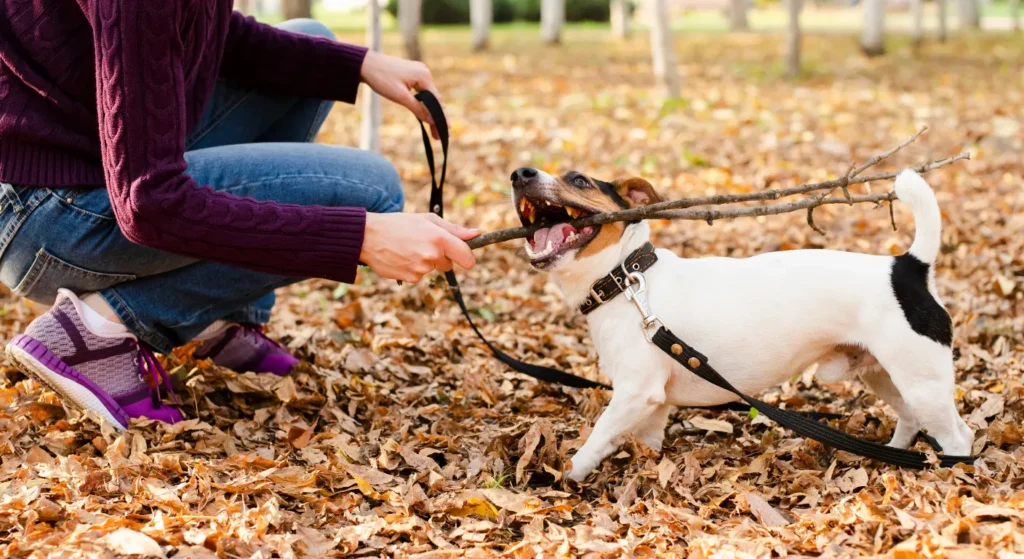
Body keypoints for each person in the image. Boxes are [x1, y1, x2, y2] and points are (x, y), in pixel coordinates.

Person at [0, 3, 478, 430]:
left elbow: (211, 34)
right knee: (370, 191)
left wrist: (362, 65)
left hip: (86, 163)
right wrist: (359, 236)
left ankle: (219, 323)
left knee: (315, 44)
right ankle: (94, 331)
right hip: (46, 215)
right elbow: (151, 203)